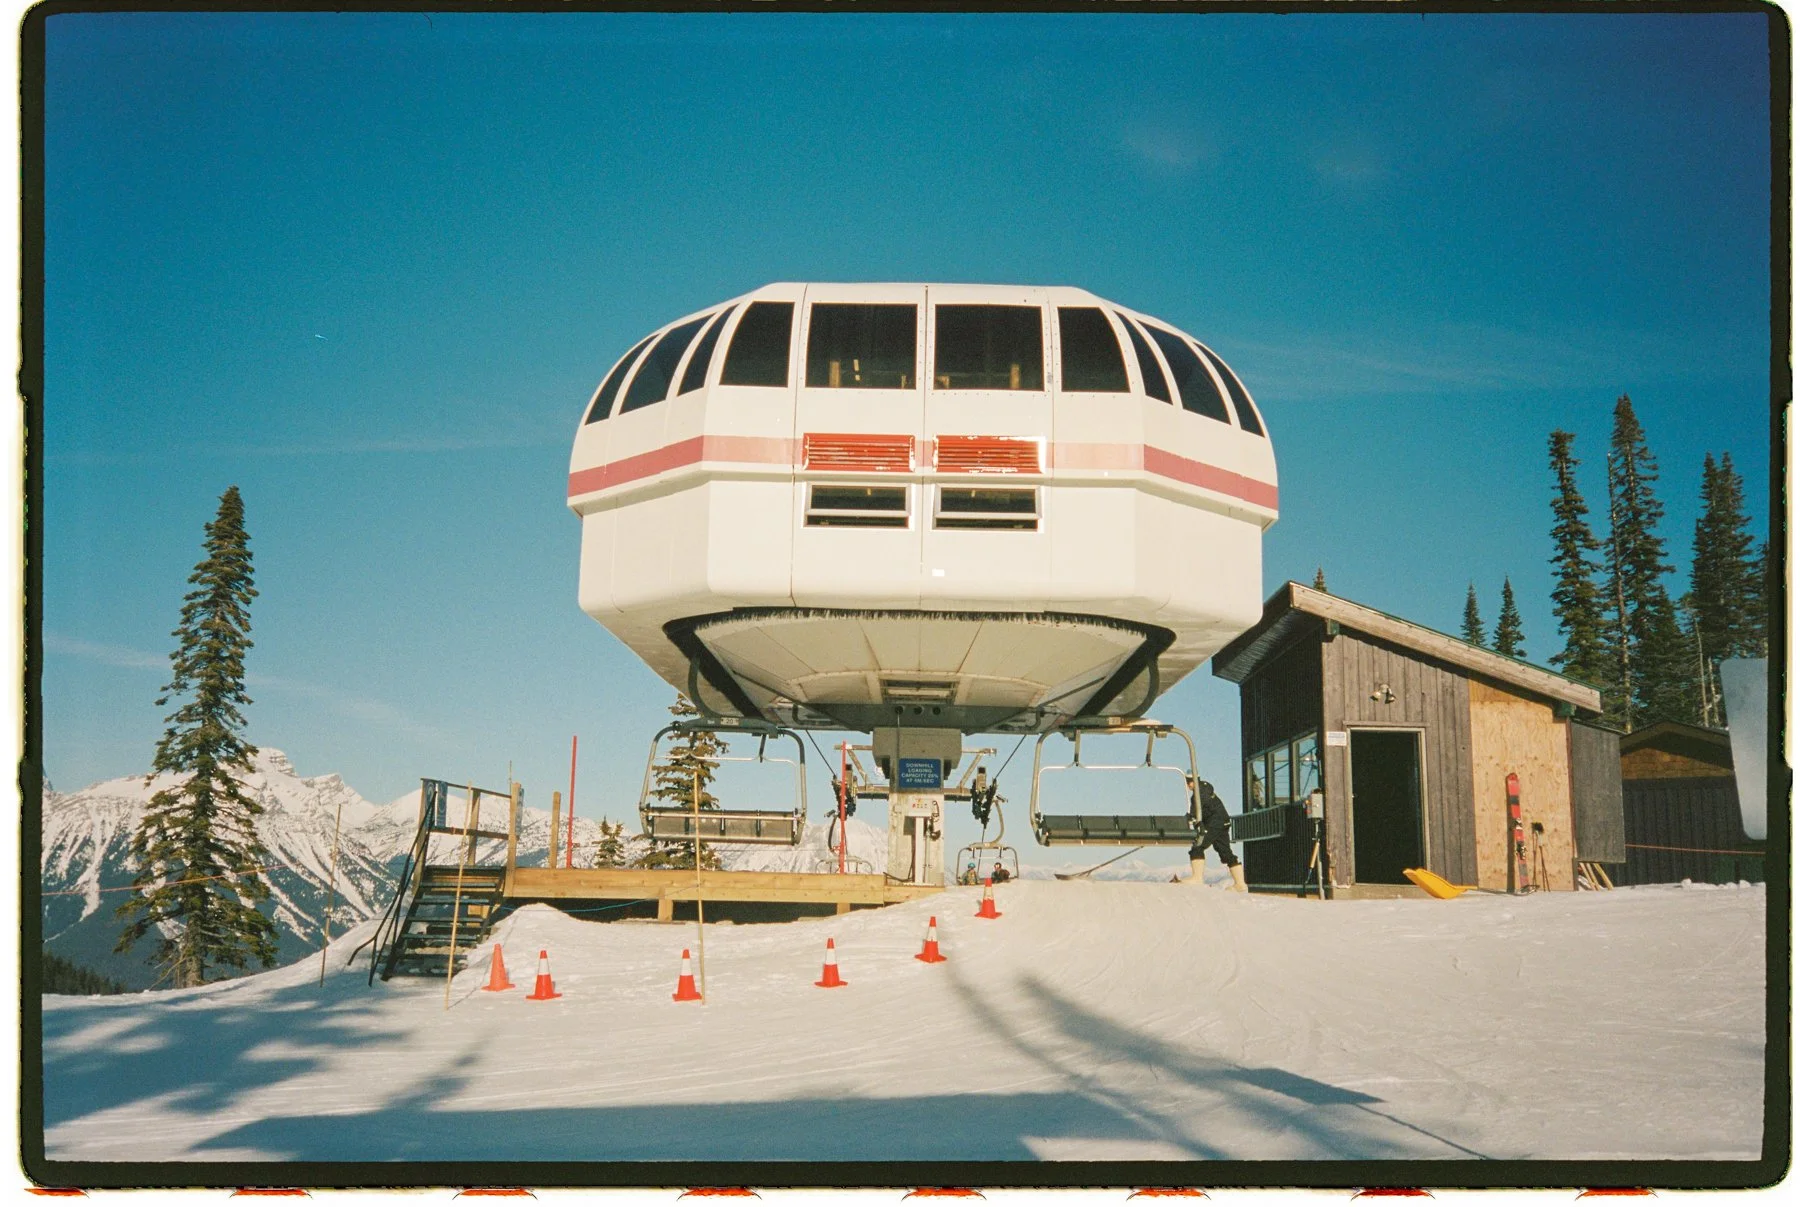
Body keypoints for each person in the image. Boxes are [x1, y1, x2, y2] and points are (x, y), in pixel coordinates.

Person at [1188, 779, 1246, 892]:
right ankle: (1240, 884)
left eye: (1189, 782)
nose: (1188, 785)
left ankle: (1197, 878)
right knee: (1225, 852)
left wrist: (1193, 817)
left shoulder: (1201, 790)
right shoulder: (1203, 789)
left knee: (1198, 846)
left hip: (1215, 823)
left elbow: (1201, 805)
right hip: (1222, 822)